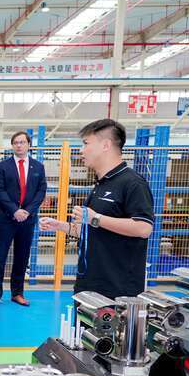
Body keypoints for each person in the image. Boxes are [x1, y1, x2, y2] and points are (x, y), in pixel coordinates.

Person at [40, 119, 154, 300]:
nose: (81, 150)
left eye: (86, 143)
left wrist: (95, 218)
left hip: (118, 290)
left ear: (105, 145)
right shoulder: (101, 184)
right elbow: (91, 229)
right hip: (89, 283)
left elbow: (143, 228)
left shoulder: (133, 183)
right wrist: (61, 226)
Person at [0, 131, 47, 307]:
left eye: (22, 142)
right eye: (16, 142)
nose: (19, 145)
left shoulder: (38, 167)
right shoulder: (2, 166)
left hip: (27, 220)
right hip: (5, 218)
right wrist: (15, 210)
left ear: (29, 144)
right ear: (12, 146)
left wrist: (27, 212)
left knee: (22, 257)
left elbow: (41, 191)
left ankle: (17, 293)